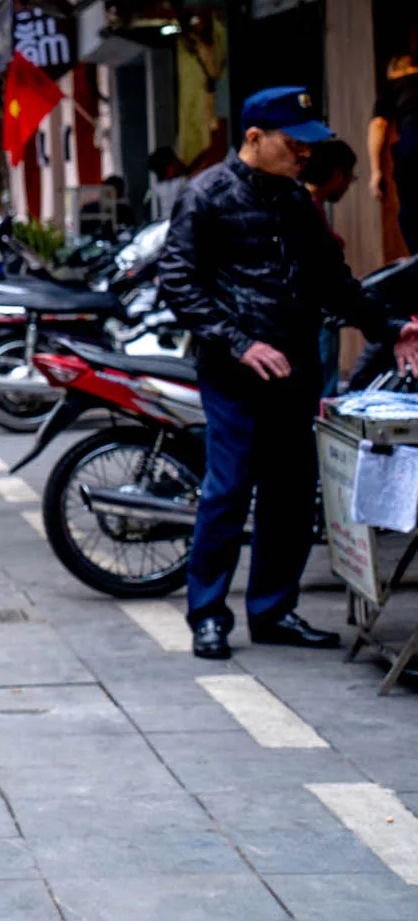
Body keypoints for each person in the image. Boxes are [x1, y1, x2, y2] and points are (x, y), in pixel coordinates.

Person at [160, 88, 418, 661]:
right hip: (234, 375)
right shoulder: (205, 195)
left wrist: (391, 327)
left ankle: (273, 610)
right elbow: (178, 283)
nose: (306, 153)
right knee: (228, 491)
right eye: (295, 142)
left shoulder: (297, 202)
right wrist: (240, 342)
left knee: (292, 496)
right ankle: (208, 615)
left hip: (295, 372)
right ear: (255, 138)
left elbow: (335, 283)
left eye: (309, 143)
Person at [303, 139, 360, 397]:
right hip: (316, 314)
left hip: (313, 313)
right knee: (321, 391)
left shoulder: (307, 205)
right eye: (350, 178)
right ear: (338, 176)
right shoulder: (304, 207)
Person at [370, 55, 418, 254]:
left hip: (414, 149)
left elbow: (378, 125)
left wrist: (376, 171)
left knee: (412, 216)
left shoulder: (394, 86)